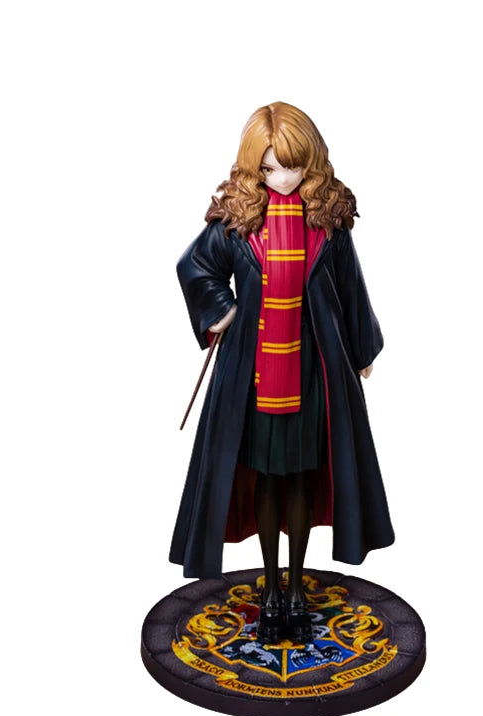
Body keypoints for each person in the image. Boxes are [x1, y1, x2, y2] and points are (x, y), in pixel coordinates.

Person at [170, 102, 394, 644]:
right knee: (267, 478)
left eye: (294, 165)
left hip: (315, 368)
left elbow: (350, 287)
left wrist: (362, 347)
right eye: (271, 167)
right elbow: (194, 265)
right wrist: (221, 308)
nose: (284, 178)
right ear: (256, 165)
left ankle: (296, 588)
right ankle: (270, 587)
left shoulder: (328, 222)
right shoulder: (238, 218)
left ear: (310, 161)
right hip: (253, 375)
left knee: (302, 476)